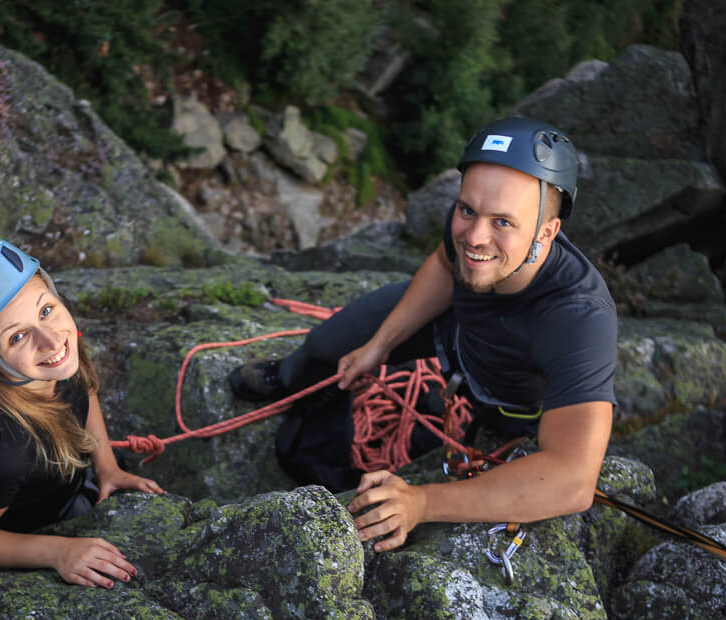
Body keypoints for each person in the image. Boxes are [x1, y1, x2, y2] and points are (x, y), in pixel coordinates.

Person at [230, 117, 617, 553]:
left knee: (484, 428)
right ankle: (296, 393)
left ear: (546, 233)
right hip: (455, 333)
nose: (474, 236)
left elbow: (572, 480)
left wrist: (422, 502)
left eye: (503, 223)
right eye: (467, 210)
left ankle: (438, 424)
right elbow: (445, 262)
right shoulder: (472, 228)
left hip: (510, 400)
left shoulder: (579, 318)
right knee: (325, 348)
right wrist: (381, 345)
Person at [0, 233, 165, 588]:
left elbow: (84, 390)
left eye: (46, 309)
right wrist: (57, 551)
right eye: (17, 336)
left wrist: (107, 467)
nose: (53, 341)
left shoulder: (53, 359)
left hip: (73, 484)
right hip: (32, 532)